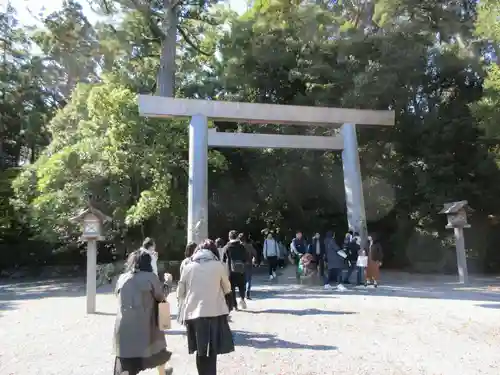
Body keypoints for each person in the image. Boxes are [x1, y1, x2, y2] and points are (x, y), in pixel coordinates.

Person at [177, 239, 235, 375]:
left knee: (200, 350)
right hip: (214, 312)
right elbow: (227, 288)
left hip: (193, 314)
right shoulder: (218, 265)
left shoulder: (188, 267)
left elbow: (180, 293)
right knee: (211, 350)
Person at [113, 250, 173, 375]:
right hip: (145, 328)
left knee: (126, 365)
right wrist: (168, 282)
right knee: (157, 350)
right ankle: (163, 372)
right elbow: (161, 298)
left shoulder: (122, 278)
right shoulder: (150, 277)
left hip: (123, 327)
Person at [222, 230, 249, 310]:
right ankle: (242, 299)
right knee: (241, 286)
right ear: (237, 237)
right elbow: (245, 258)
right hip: (241, 270)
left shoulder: (227, 247)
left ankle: (235, 305)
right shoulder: (241, 247)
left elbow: (223, 260)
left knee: (232, 288)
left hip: (230, 271)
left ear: (229, 237)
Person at [238, 233, 257, 299]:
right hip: (248, 264)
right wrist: (254, 260)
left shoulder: (237, 246)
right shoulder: (249, 246)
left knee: (241, 280)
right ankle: (247, 294)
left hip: (239, 266)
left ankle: (241, 294)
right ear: (245, 239)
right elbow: (255, 254)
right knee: (248, 280)